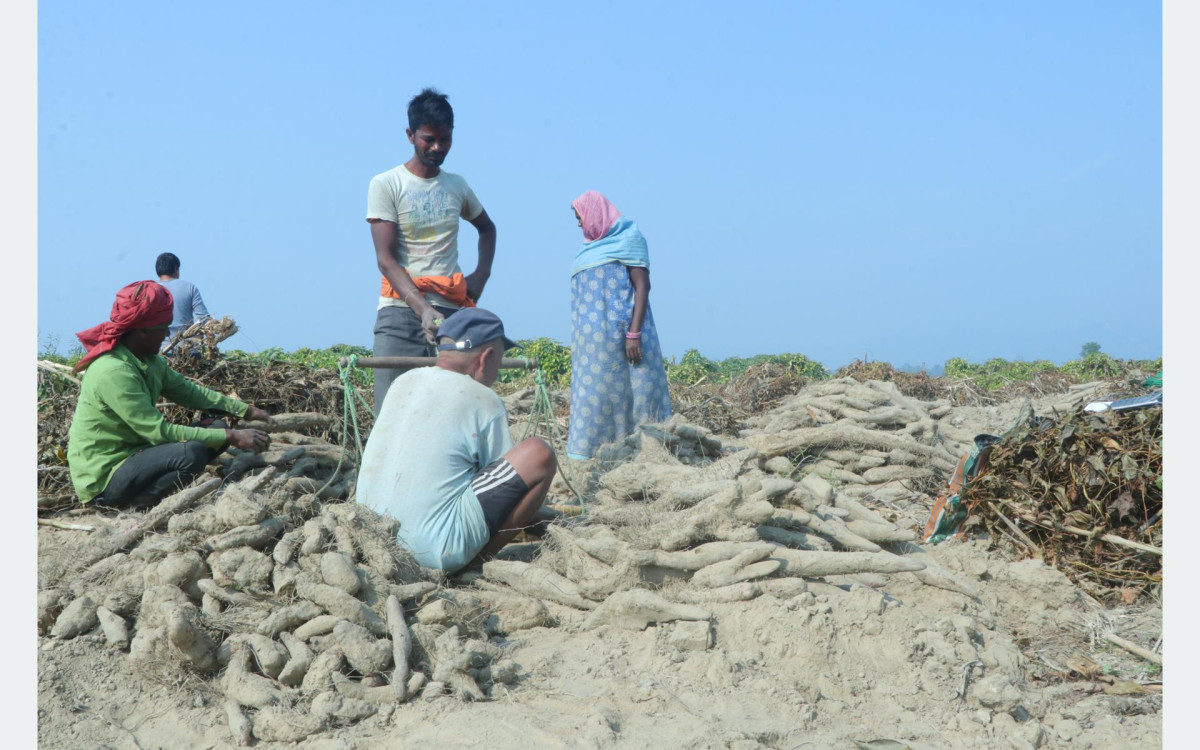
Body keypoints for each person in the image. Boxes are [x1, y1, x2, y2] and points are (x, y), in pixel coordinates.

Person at [355, 308, 557, 573]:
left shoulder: (402, 382)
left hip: (370, 540)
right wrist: (550, 517)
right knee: (538, 454)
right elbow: (506, 493)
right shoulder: (482, 398)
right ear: (486, 358)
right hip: (433, 550)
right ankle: (476, 563)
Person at [67, 280, 273, 507]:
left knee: (216, 427)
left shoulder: (150, 362)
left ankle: (151, 492)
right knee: (191, 453)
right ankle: (130, 507)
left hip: (138, 453)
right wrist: (232, 436)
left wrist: (245, 410)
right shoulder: (113, 371)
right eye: (163, 326)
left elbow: (191, 393)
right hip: (106, 475)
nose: (167, 332)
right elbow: (159, 432)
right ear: (143, 330)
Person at [365, 87, 498, 414]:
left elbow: (487, 229)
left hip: (451, 314)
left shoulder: (457, 186)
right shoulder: (387, 184)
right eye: (429, 139)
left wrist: (479, 279)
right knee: (392, 412)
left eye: (445, 139)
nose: (438, 147)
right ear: (410, 135)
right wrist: (422, 309)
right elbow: (386, 260)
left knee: (449, 412)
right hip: (399, 311)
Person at [567, 191, 672, 460]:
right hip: (593, 347)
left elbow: (642, 286)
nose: (579, 224)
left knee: (636, 393)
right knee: (596, 399)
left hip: (625, 335)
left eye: (580, 217)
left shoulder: (629, 240)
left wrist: (633, 333)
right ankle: (591, 455)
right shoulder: (586, 251)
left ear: (594, 213)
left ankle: (645, 452)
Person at [155, 252, 213, 339]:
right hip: (187, 347)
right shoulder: (189, 287)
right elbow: (204, 319)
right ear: (175, 268)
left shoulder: (150, 290)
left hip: (159, 347)